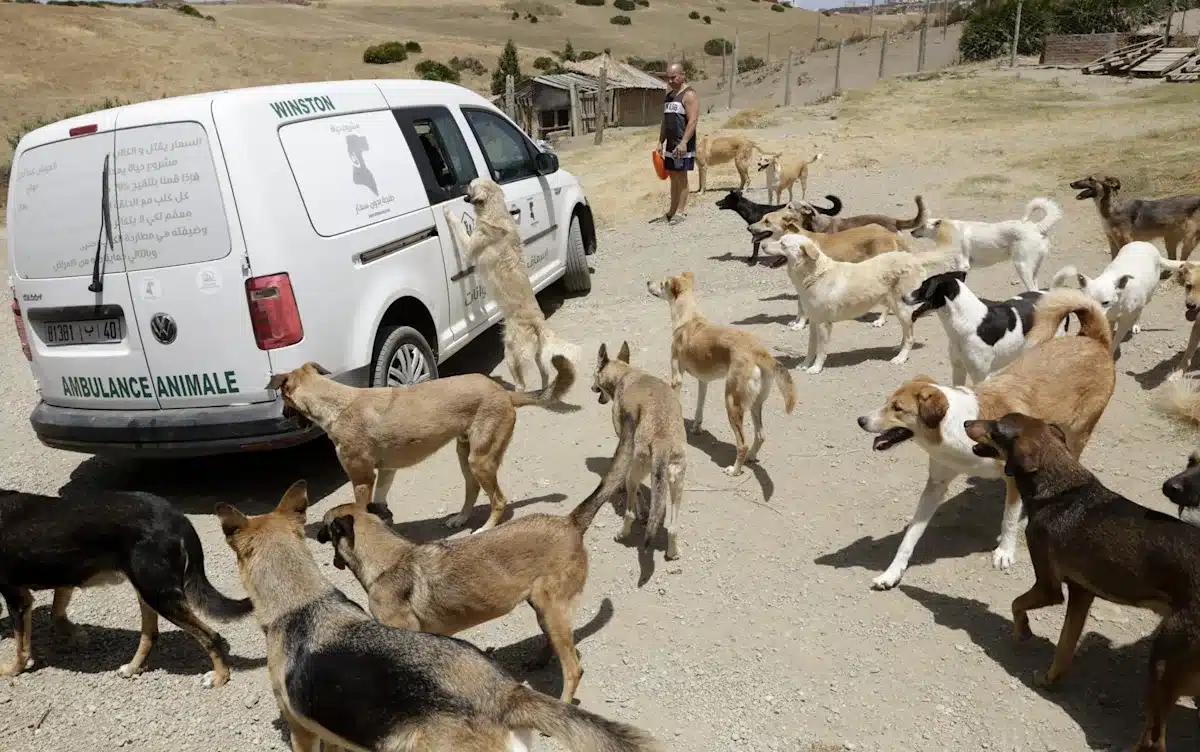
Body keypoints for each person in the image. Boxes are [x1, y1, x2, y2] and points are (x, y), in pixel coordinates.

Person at [650, 62, 699, 226]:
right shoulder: (669, 96)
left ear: (682, 75)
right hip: (670, 145)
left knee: (681, 176)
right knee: (673, 177)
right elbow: (665, 121)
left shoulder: (689, 95)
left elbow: (693, 121)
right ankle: (671, 211)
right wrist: (660, 141)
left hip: (682, 144)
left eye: (673, 77)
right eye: (668, 78)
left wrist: (684, 142)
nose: (670, 81)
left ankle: (681, 211)